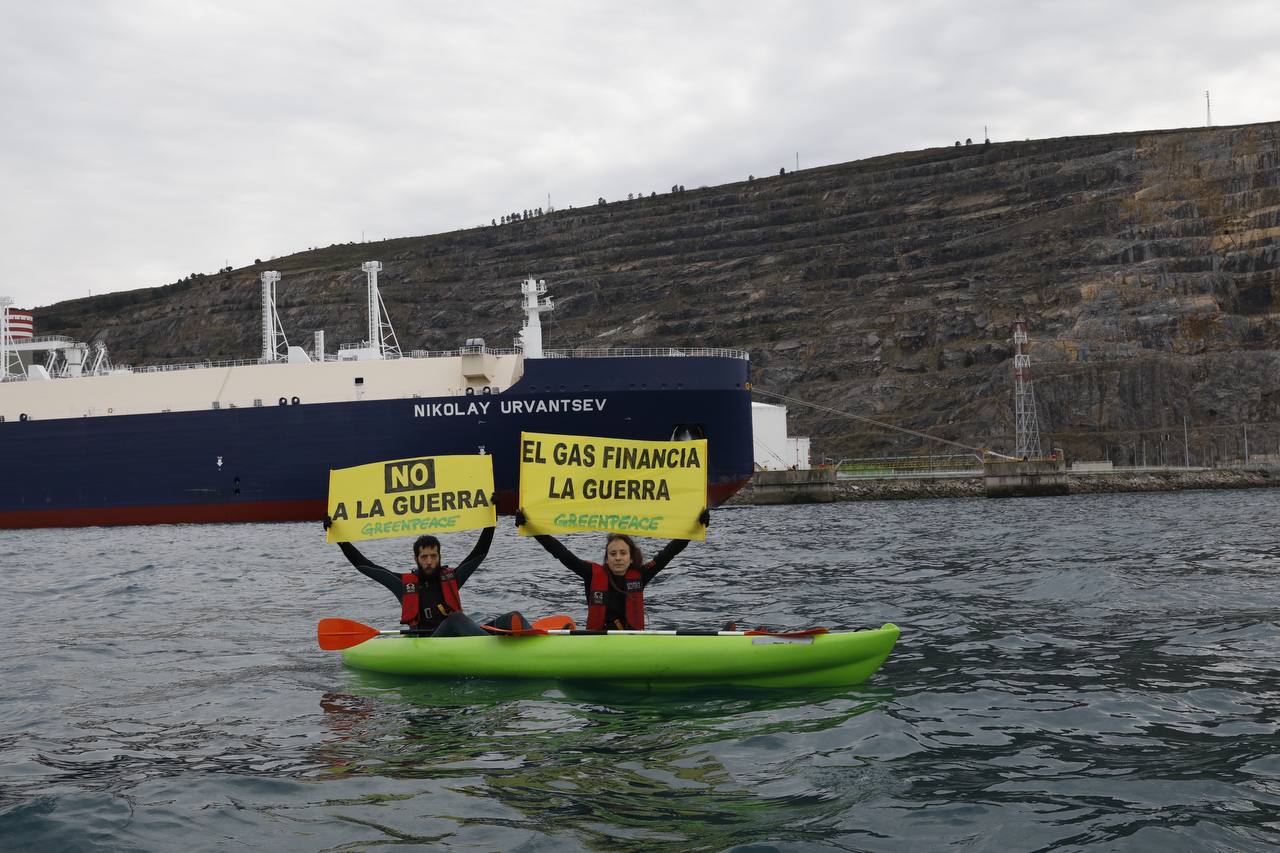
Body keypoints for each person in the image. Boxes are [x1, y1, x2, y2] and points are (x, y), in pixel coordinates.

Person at [325, 517, 530, 636]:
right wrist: (340, 538)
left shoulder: (452, 578)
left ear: (440, 556)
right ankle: (494, 648)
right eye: (424, 557)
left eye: (434, 556)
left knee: (513, 617)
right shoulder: (403, 586)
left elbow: (479, 553)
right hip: (429, 642)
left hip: (461, 638)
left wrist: (490, 521)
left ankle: (540, 644)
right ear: (416, 559)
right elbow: (365, 566)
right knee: (455, 619)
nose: (429, 561)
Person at [514, 508, 709, 630]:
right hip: (597, 641)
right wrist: (532, 528)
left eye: (622, 553)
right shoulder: (591, 573)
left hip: (631, 641)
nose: (618, 558)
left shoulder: (641, 574)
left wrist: (696, 526)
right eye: (613, 554)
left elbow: (669, 553)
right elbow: (561, 553)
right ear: (606, 558)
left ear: (631, 557)